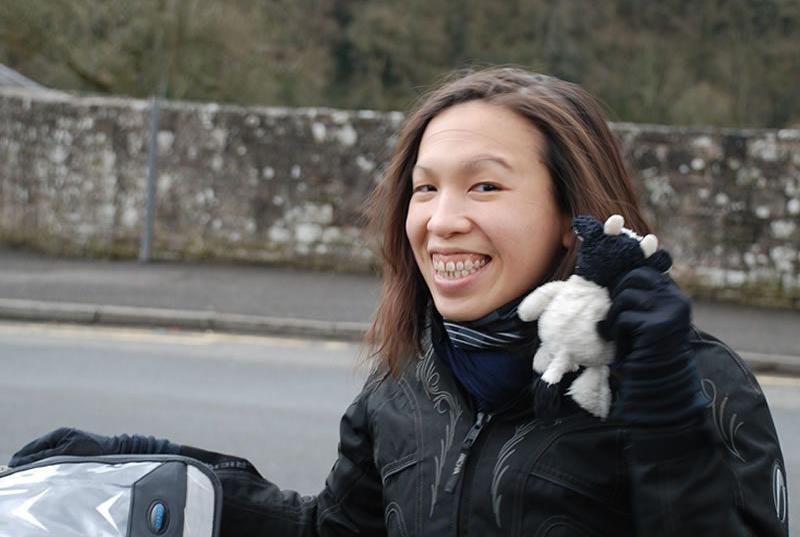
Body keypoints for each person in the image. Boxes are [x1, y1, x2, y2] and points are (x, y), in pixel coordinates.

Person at [9, 68, 788, 535]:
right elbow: (336, 530)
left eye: (485, 184)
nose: (441, 219)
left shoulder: (695, 386)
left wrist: (662, 413)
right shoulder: (404, 385)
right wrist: (160, 468)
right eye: (424, 188)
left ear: (569, 215)